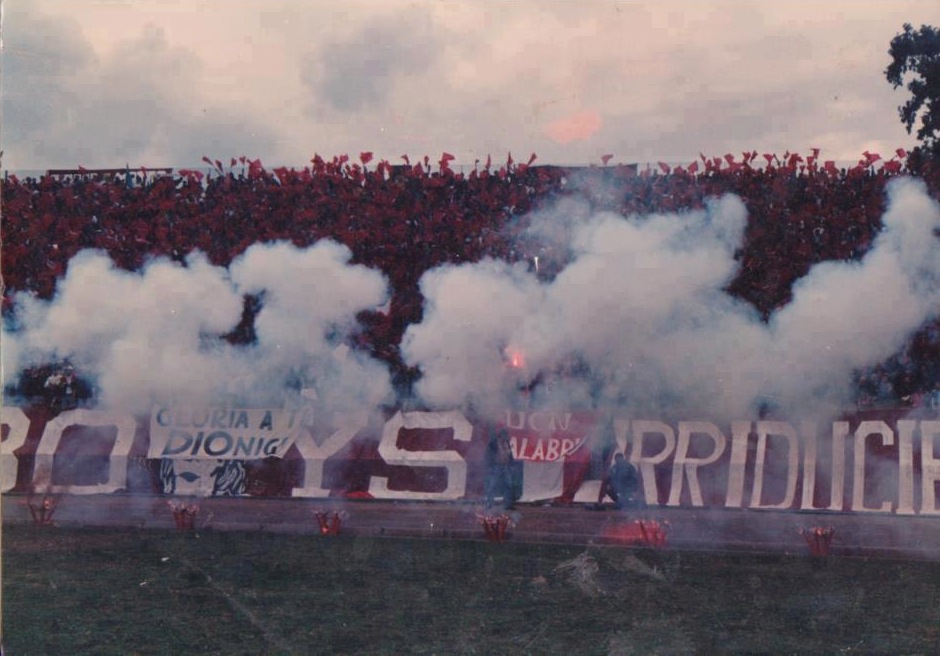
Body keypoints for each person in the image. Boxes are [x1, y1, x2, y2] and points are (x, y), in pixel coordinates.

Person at [484, 428, 519, 510]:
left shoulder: (507, 443)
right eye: (506, 435)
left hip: (505, 467)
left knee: (508, 486)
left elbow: (510, 455)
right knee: (492, 486)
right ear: (501, 435)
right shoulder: (493, 443)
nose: (507, 437)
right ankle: (489, 504)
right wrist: (489, 466)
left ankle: (507, 505)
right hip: (496, 467)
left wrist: (511, 465)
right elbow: (488, 455)